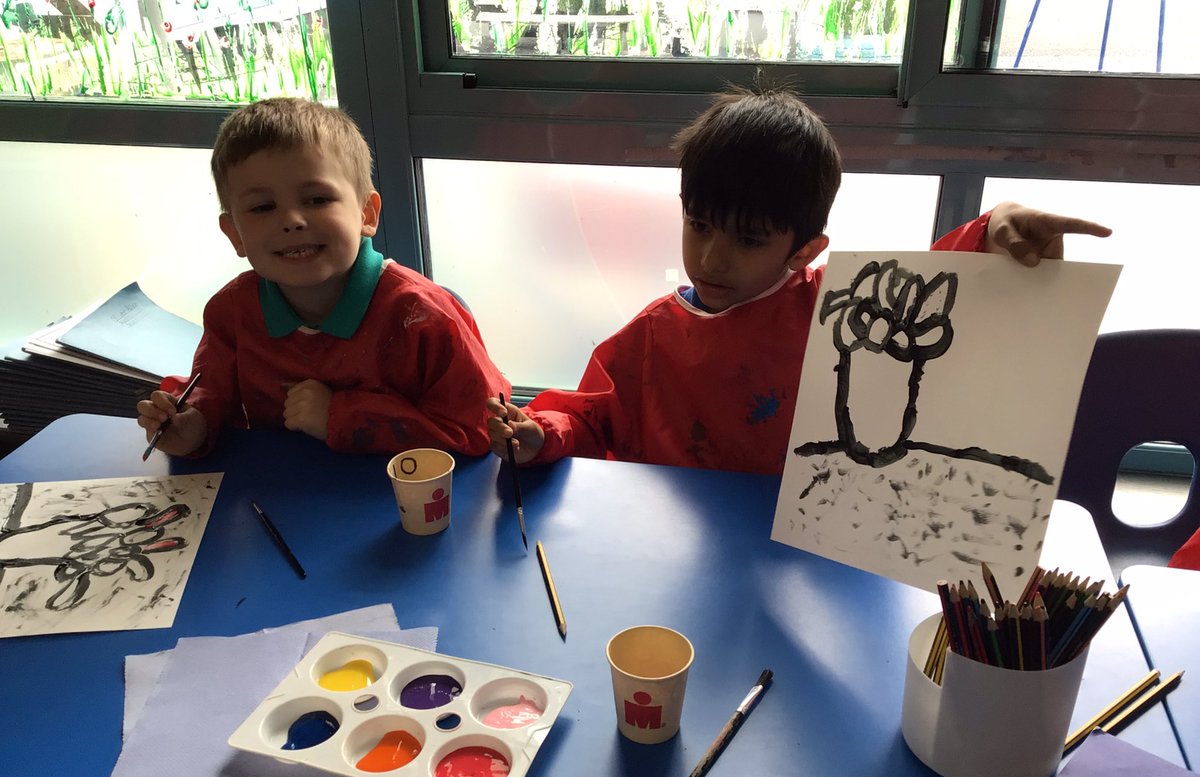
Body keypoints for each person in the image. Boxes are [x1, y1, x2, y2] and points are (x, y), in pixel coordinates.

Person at [485, 87, 1111, 475]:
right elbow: (589, 419)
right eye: (699, 224)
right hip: (672, 557)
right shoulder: (651, 338)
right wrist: (539, 435)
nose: (712, 257)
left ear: (804, 251)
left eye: (749, 239)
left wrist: (995, 228)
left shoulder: (837, 314)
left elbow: (930, 291)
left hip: (815, 557)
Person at [137, 97, 509, 458]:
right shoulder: (231, 313)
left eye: (317, 199)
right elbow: (212, 401)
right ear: (234, 233)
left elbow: (481, 431)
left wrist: (341, 415)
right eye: (263, 207)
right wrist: (191, 429)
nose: (292, 221)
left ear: (366, 213)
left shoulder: (425, 316)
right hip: (278, 502)